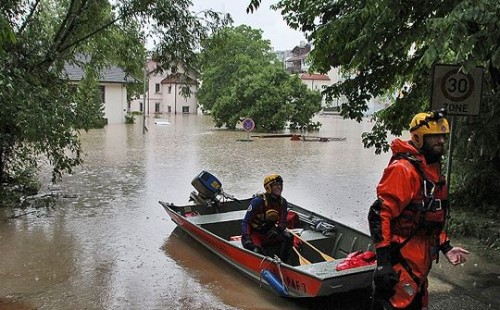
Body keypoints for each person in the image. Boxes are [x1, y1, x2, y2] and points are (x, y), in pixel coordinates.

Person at [368, 110, 469, 310]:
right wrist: (383, 262)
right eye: (434, 136)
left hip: (420, 261)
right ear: (419, 137)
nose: (441, 141)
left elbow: (432, 216)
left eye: (442, 136)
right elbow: (380, 214)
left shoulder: (432, 171)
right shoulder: (404, 169)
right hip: (400, 260)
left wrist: (445, 247)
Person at [241, 174, 294, 263]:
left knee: (288, 237)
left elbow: (283, 222)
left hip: (269, 234)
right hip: (255, 234)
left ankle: (283, 263)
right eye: (276, 185)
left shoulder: (283, 202)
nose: (279, 187)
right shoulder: (257, 202)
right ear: (268, 187)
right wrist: (247, 237)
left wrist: (277, 230)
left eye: (280, 185)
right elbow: (246, 222)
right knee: (256, 251)